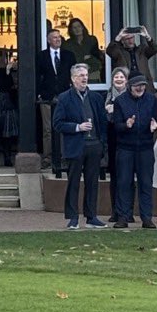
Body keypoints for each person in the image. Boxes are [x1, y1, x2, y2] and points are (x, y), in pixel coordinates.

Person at [53, 64, 108, 230]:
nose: (84, 78)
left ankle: (91, 217)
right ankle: (73, 218)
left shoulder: (96, 98)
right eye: (80, 75)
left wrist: (101, 143)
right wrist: (77, 127)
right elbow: (58, 123)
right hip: (76, 145)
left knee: (92, 182)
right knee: (73, 182)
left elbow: (102, 122)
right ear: (73, 78)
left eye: (85, 75)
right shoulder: (64, 98)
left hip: (94, 145)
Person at [112, 74, 157, 228]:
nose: (140, 88)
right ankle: (123, 217)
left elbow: (156, 119)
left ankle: (146, 218)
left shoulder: (152, 100)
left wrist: (154, 127)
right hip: (126, 148)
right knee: (124, 183)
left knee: (145, 183)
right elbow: (116, 126)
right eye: (137, 86)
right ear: (129, 86)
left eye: (143, 86)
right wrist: (126, 125)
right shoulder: (120, 101)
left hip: (145, 148)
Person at [37, 29, 76, 169]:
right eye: (54, 37)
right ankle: (47, 158)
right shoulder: (41, 56)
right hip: (47, 97)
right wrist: (39, 93)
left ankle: (64, 157)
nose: (58, 39)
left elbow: (74, 75)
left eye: (59, 37)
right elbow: (37, 76)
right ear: (48, 40)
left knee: (65, 126)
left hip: (65, 96)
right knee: (47, 129)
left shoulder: (69, 55)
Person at [105, 67, 131, 222]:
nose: (119, 80)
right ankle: (115, 211)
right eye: (116, 77)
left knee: (127, 177)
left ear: (126, 80)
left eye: (121, 77)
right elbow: (106, 115)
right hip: (113, 140)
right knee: (114, 176)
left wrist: (115, 109)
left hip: (127, 140)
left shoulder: (130, 96)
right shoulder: (108, 96)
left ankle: (127, 212)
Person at [63, 18, 104, 83]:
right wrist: (84, 58)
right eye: (74, 27)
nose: (77, 29)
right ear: (71, 30)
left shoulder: (92, 40)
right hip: (76, 74)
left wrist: (85, 59)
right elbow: (71, 61)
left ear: (82, 27)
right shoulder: (68, 44)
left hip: (92, 72)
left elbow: (96, 58)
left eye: (79, 26)